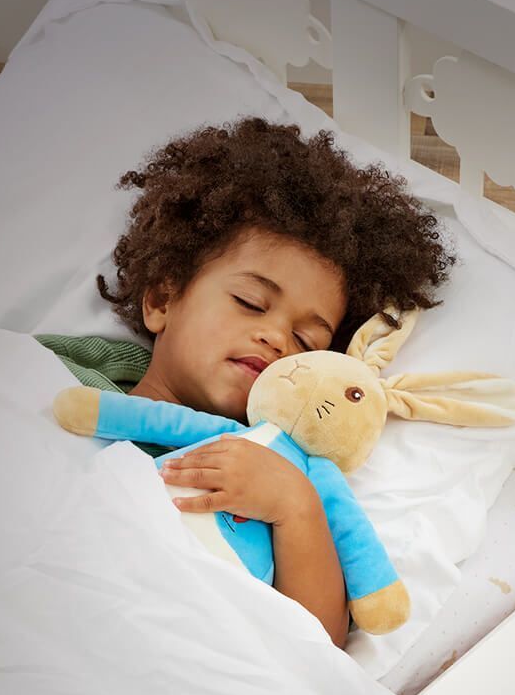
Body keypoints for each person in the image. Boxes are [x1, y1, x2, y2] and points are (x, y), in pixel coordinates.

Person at [38, 117, 454, 648]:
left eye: (305, 340)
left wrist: (294, 506)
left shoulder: (288, 472)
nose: (276, 338)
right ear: (162, 299)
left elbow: (316, 648)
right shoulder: (59, 376)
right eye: (251, 302)